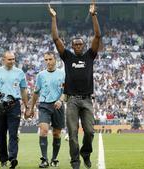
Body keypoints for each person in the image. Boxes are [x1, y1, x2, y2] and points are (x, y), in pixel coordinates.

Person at [49, 1, 101, 168]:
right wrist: (54, 18)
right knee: (72, 134)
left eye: (80, 44)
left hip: (87, 100)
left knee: (90, 132)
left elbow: (98, 36)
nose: (78, 46)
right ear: (72, 46)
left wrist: (93, 15)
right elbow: (56, 38)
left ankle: (85, 154)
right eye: (75, 44)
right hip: (71, 100)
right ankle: (75, 161)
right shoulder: (68, 57)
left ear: (83, 46)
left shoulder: (89, 56)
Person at [0, 51, 29, 169]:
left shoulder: (20, 73)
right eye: (9, 59)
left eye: (13, 59)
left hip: (14, 105)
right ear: (3, 60)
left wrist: (27, 106)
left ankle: (13, 158)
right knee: (1, 134)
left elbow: (24, 90)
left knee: (13, 134)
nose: (12, 61)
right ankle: (3, 160)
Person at [26, 52, 65, 168]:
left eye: (50, 59)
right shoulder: (41, 75)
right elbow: (36, 92)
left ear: (55, 60)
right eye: (46, 60)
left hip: (58, 105)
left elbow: (67, 92)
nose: (48, 62)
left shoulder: (62, 74)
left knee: (56, 133)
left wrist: (60, 100)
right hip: (44, 105)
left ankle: (54, 159)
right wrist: (31, 108)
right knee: (43, 130)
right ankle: (44, 159)